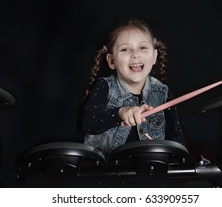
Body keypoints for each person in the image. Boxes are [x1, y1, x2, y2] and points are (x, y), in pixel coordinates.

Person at [79, 19, 185, 158]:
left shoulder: (162, 92)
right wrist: (120, 113)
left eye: (143, 48)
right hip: (107, 172)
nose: (135, 54)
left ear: (154, 56)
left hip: (149, 171)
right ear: (112, 61)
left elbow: (175, 135)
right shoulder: (105, 86)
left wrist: (170, 154)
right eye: (125, 49)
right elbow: (90, 123)